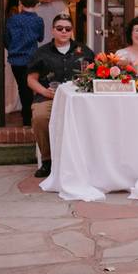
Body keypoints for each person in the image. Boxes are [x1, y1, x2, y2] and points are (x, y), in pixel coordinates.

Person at [27, 13, 91, 178]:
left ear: (72, 31)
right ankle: (48, 161)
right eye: (59, 28)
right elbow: (31, 80)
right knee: (40, 117)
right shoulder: (41, 52)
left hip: (77, 99)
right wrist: (44, 91)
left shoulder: (83, 51)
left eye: (67, 29)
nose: (64, 31)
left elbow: (95, 74)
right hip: (49, 97)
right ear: (52, 30)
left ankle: (87, 160)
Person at [6, 0, 44, 126]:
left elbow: (6, 38)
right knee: (31, 86)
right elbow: (40, 38)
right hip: (31, 58)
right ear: (37, 3)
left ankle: (26, 118)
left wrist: (12, 48)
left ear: (20, 3)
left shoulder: (12, 19)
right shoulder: (38, 21)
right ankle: (31, 116)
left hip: (16, 59)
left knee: (22, 87)